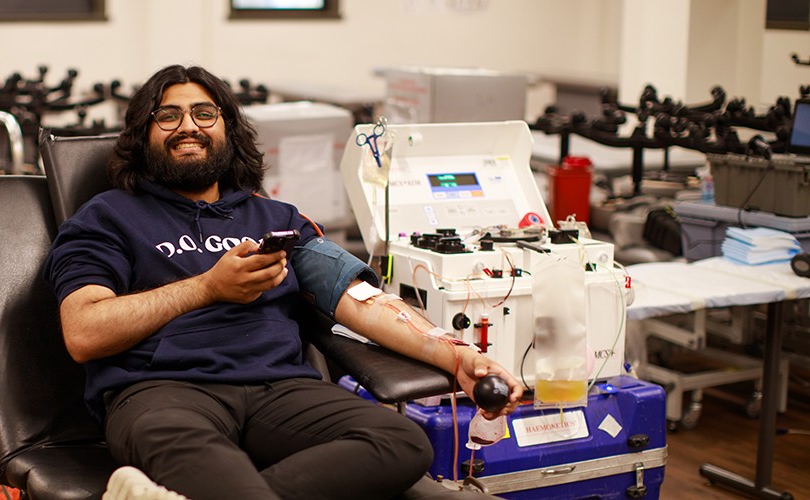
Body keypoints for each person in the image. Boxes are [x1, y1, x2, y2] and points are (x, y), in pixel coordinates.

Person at [44, 64, 523, 500]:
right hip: (163, 393)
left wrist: (457, 355)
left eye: (204, 113)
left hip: (280, 389)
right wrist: (207, 288)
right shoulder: (107, 218)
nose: (188, 125)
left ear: (228, 129)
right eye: (167, 115)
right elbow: (84, 332)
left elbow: (360, 300)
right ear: (142, 134)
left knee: (402, 441)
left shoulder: (275, 218)